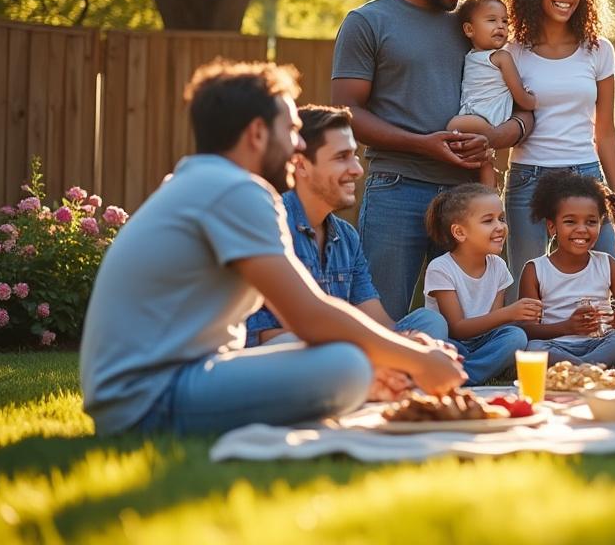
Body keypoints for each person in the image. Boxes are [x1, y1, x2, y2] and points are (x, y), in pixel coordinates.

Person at [79, 60, 465, 436]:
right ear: (257, 133)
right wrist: (419, 360)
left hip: (152, 389)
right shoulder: (234, 190)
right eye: (292, 130)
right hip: (150, 399)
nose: (298, 145)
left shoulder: (203, 182)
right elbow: (308, 315)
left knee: (352, 361)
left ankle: (363, 382)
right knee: (346, 364)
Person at [332, 0, 532, 321]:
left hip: (466, 196)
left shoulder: (473, 26)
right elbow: (347, 112)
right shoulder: (369, 22)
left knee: (475, 321)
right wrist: (422, 144)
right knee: (380, 316)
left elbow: (524, 113)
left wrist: (494, 139)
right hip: (397, 188)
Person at [244, 105, 452, 356]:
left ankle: (400, 366)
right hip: (279, 355)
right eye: (341, 157)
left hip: (341, 348)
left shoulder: (345, 236)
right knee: (322, 347)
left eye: (354, 156)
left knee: (429, 323)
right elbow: (261, 334)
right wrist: (383, 347)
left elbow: (379, 321)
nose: (357, 169)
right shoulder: (270, 223)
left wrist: (410, 344)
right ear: (301, 165)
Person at [500, 0, 615, 298]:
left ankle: (614, 340)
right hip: (527, 177)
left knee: (613, 282)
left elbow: (606, 132)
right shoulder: (511, 52)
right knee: (524, 290)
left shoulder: (599, 50)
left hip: (585, 176)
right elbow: (499, 122)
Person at [518, 171, 615, 365]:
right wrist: (567, 327)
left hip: (601, 343)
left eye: (591, 222)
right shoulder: (535, 270)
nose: (581, 229)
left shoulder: (607, 264)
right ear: (552, 227)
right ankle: (593, 367)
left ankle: (578, 368)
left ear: (600, 224)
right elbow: (527, 329)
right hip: (557, 345)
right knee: (533, 348)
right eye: (570, 221)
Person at [422, 184, 538, 384]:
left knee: (515, 336)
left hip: (483, 342)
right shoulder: (441, 268)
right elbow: (456, 329)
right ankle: (470, 372)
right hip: (451, 342)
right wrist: (510, 313)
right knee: (437, 343)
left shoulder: (498, 266)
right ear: (459, 232)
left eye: (501, 218)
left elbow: (493, 324)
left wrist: (515, 317)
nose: (500, 227)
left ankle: (463, 374)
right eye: (488, 220)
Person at [446, 0, 537, 187]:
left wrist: (530, 101)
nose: (501, 26)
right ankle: (492, 189)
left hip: (486, 117)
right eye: (492, 20)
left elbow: (518, 94)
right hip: (477, 114)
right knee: (483, 159)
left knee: (454, 127)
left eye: (505, 21)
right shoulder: (473, 56)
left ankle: (491, 185)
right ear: (469, 30)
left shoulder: (501, 57)